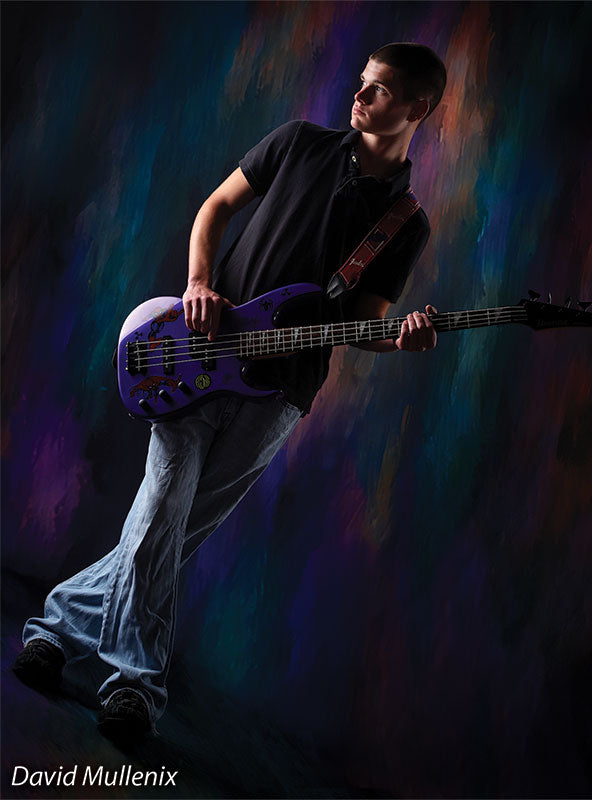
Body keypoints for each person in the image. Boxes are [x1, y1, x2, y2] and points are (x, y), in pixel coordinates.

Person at [13, 42, 447, 742]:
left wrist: (400, 338)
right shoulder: (298, 143)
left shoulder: (405, 223)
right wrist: (197, 283)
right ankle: (134, 686)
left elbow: (360, 324)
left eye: (381, 90)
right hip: (197, 356)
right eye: (362, 84)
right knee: (159, 511)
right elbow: (215, 207)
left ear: (417, 109)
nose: (360, 96)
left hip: (280, 392)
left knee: (173, 532)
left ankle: (57, 626)